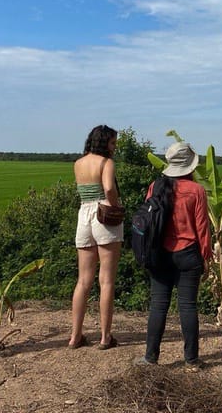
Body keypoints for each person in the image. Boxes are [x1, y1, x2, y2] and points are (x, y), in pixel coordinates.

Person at [137, 142, 212, 370]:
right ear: (189, 166)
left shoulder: (155, 187)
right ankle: (191, 360)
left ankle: (150, 357)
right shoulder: (196, 191)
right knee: (188, 307)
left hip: (159, 255)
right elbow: (202, 229)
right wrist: (206, 257)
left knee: (158, 306)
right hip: (188, 254)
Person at [68, 124, 123, 350]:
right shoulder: (106, 163)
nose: (114, 147)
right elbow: (109, 188)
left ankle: (75, 336)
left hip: (84, 216)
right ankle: (105, 337)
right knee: (106, 279)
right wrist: (116, 204)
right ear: (104, 143)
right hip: (104, 215)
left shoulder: (78, 163)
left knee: (83, 280)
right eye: (112, 143)